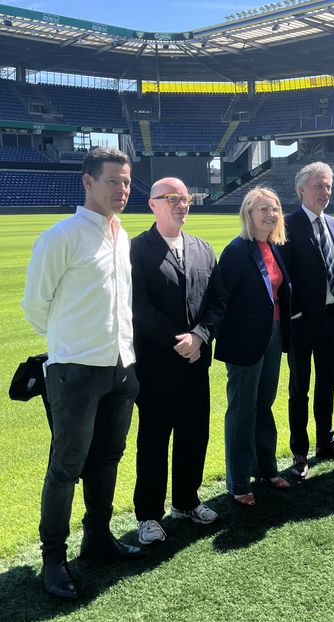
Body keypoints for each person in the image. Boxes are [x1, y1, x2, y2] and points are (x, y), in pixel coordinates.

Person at [21, 147, 142, 601]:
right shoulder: (63, 236)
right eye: (113, 181)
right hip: (74, 371)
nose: (122, 190)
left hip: (119, 368)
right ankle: (53, 559)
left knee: (108, 457)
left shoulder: (122, 235)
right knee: (66, 467)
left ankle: (97, 538)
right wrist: (69, 345)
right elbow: (36, 305)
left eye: (127, 182)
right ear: (88, 182)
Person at [131, 177, 225, 546]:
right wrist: (179, 340)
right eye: (171, 198)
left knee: (194, 434)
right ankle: (149, 515)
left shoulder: (203, 249)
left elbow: (217, 302)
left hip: (196, 361)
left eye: (185, 197)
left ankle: (186, 502)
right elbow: (139, 308)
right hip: (156, 365)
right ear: (153, 204)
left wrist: (200, 335)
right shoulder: (137, 250)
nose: (181, 204)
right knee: (154, 440)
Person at [215, 187, 291, 506]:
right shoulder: (237, 250)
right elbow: (220, 300)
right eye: (262, 209)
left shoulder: (274, 247)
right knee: (242, 410)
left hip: (272, 335)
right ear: (248, 213)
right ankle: (238, 481)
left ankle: (266, 469)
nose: (270, 214)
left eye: (274, 209)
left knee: (264, 404)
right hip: (245, 342)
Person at [280, 162, 334, 479]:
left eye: (328, 186)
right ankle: (299, 452)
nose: (325, 192)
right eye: (319, 186)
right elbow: (283, 277)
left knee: (328, 384)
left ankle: (326, 441)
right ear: (301, 190)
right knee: (300, 388)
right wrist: (295, 312)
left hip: (332, 319)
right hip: (302, 322)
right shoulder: (286, 225)